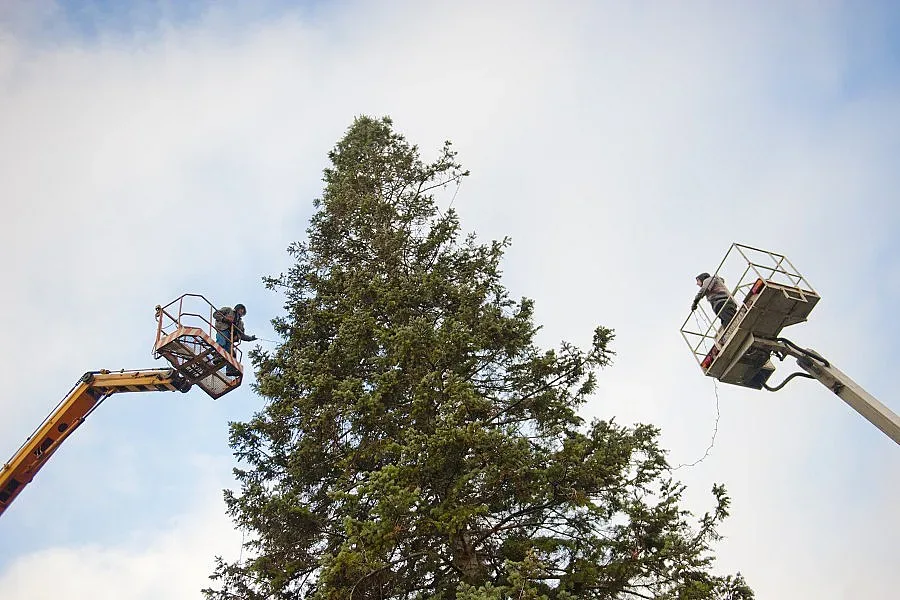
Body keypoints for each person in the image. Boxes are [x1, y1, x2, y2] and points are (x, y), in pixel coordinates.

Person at [214, 303, 256, 375]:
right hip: (223, 330)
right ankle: (217, 357)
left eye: (243, 311)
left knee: (232, 354)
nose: (241, 312)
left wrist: (251, 338)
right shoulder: (228, 310)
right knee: (222, 343)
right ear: (237, 308)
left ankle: (230, 370)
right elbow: (215, 314)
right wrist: (225, 319)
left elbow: (242, 335)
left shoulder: (240, 323)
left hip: (231, 337)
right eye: (241, 309)